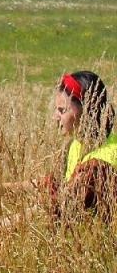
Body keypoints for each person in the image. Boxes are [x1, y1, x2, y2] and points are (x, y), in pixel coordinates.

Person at [48, 70, 117, 220]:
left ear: (87, 111)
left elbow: (59, 208)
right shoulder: (78, 143)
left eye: (62, 110)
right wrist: (1, 188)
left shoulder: (99, 164)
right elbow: (55, 186)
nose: (55, 117)